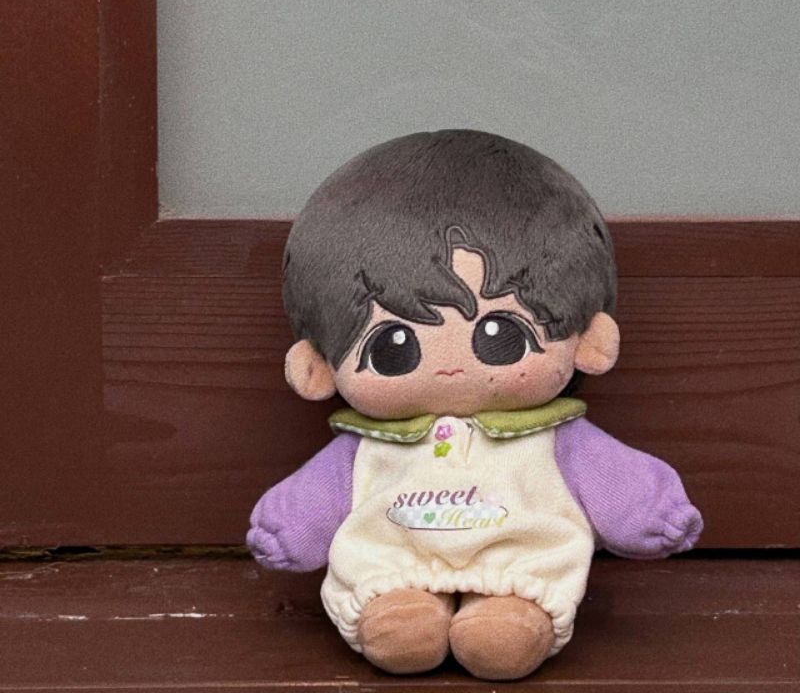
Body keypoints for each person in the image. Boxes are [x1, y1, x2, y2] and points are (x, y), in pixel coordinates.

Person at [247, 129, 702, 680]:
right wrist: (287, 527)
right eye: (394, 345)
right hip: (390, 571)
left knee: (503, 634)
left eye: (500, 335)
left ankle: (512, 618)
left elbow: (614, 481)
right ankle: (399, 613)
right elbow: (318, 498)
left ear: (590, 343)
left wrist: (651, 511)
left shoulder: (556, 440)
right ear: (317, 368)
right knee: (399, 625)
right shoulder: (368, 447)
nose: (451, 368)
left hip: (522, 574)